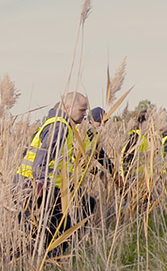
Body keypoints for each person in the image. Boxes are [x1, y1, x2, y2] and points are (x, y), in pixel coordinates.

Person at [14, 92, 92, 254]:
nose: (85, 114)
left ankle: (44, 263)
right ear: (68, 107)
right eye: (82, 110)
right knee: (57, 233)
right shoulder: (59, 127)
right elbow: (42, 158)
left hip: (37, 186)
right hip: (33, 187)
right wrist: (42, 184)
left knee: (51, 233)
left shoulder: (60, 125)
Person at [84, 106, 115, 177]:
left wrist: (113, 171)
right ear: (90, 121)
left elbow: (99, 153)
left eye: (104, 122)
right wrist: (98, 173)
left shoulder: (92, 133)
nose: (102, 124)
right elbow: (98, 154)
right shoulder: (85, 133)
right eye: (99, 121)